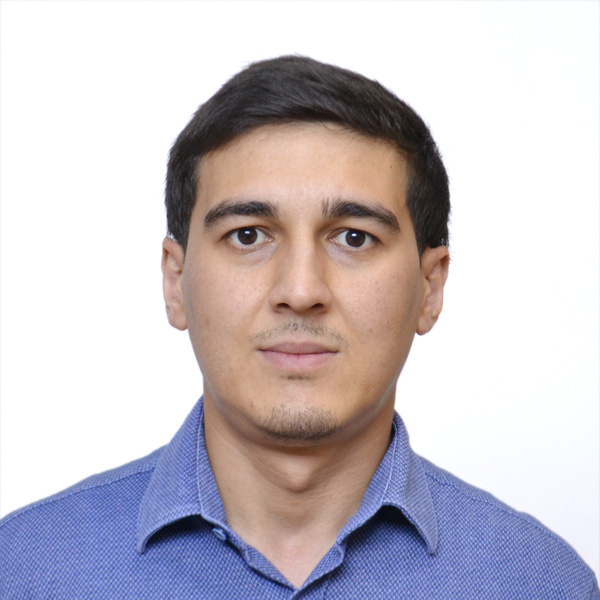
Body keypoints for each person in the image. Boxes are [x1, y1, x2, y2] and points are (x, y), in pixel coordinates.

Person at [0, 55, 597, 599]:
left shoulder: (542, 583)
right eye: (248, 235)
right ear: (175, 281)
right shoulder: (24, 571)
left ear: (430, 287)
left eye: (354, 238)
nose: (301, 291)